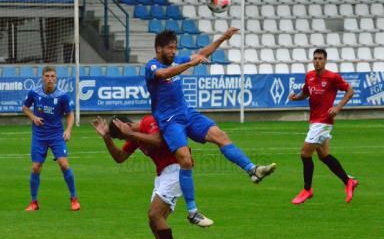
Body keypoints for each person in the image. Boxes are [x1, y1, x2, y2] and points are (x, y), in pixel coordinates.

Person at [145, 28, 277, 223]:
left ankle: (253, 170)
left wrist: (223, 38)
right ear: (159, 48)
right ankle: (192, 212)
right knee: (185, 160)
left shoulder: (176, 60)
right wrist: (191, 62)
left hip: (186, 113)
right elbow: (165, 74)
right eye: (170, 48)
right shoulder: (152, 66)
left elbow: (202, 53)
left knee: (220, 136)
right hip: (169, 120)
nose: (173, 51)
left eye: (175, 48)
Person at [91, 115, 188, 239]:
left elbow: (158, 141)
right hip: (163, 174)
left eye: (122, 137)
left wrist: (129, 134)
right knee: (153, 221)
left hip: (177, 168)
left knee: (155, 214)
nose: (125, 140)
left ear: (126, 125)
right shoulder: (134, 137)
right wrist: (107, 137)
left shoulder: (148, 122)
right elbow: (120, 157)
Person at [289, 48, 359, 205]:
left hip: (324, 121)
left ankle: (307, 189)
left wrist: (338, 107)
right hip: (314, 121)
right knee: (324, 156)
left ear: (325, 60)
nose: (317, 61)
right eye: (315, 58)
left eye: (320, 58)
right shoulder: (309, 76)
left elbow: (350, 91)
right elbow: (306, 93)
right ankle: (348, 181)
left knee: (305, 154)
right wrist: (296, 98)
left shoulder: (332, 77)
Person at [22, 66, 80, 211]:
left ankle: (74, 199)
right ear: (42, 77)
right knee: (36, 167)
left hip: (56, 136)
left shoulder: (63, 95)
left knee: (64, 165)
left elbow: (70, 114)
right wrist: (33, 117)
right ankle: (34, 202)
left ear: (56, 78)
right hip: (39, 135)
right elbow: (25, 107)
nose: (50, 79)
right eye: (47, 76)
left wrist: (68, 130)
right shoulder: (34, 92)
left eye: (52, 76)